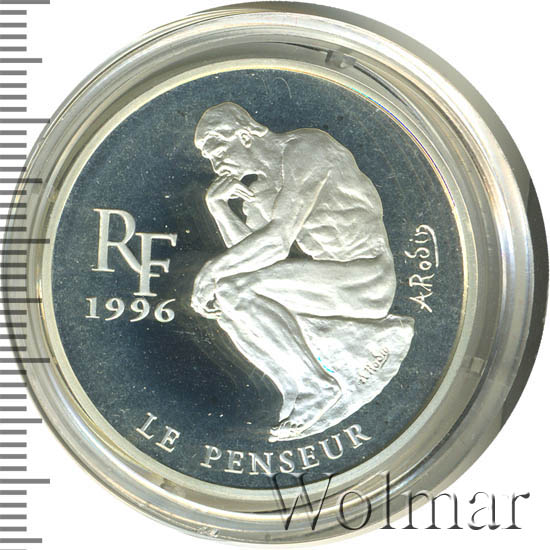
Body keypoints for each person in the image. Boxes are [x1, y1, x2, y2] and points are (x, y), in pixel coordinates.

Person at [191, 102, 397, 441]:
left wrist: (211, 271)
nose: (216, 166)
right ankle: (296, 387)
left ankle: (317, 385)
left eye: (218, 151)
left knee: (231, 290)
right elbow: (255, 258)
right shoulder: (261, 189)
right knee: (226, 303)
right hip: (328, 284)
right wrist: (218, 207)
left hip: (368, 279)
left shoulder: (308, 149)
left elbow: (277, 241)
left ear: (245, 136)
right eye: (210, 159)